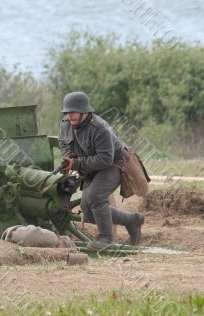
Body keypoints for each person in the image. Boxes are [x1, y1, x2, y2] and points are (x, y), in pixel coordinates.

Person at [58, 91, 145, 251]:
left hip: (113, 165)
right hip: (89, 167)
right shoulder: (65, 124)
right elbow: (63, 144)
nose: (70, 116)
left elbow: (105, 159)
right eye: (68, 112)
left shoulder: (99, 128)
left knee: (96, 196)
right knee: (88, 211)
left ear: (85, 112)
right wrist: (68, 158)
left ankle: (106, 238)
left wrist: (76, 163)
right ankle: (132, 220)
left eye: (74, 112)